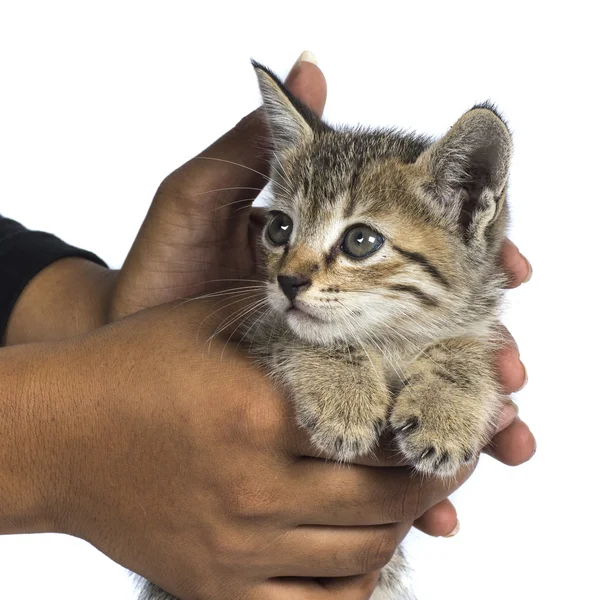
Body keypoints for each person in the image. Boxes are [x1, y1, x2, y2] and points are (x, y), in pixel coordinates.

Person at [0, 54, 535, 600]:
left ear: (467, 207)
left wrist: (101, 316)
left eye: (359, 242)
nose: (292, 272)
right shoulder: (292, 311)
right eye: (283, 227)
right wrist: (72, 442)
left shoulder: (457, 342)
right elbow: (264, 341)